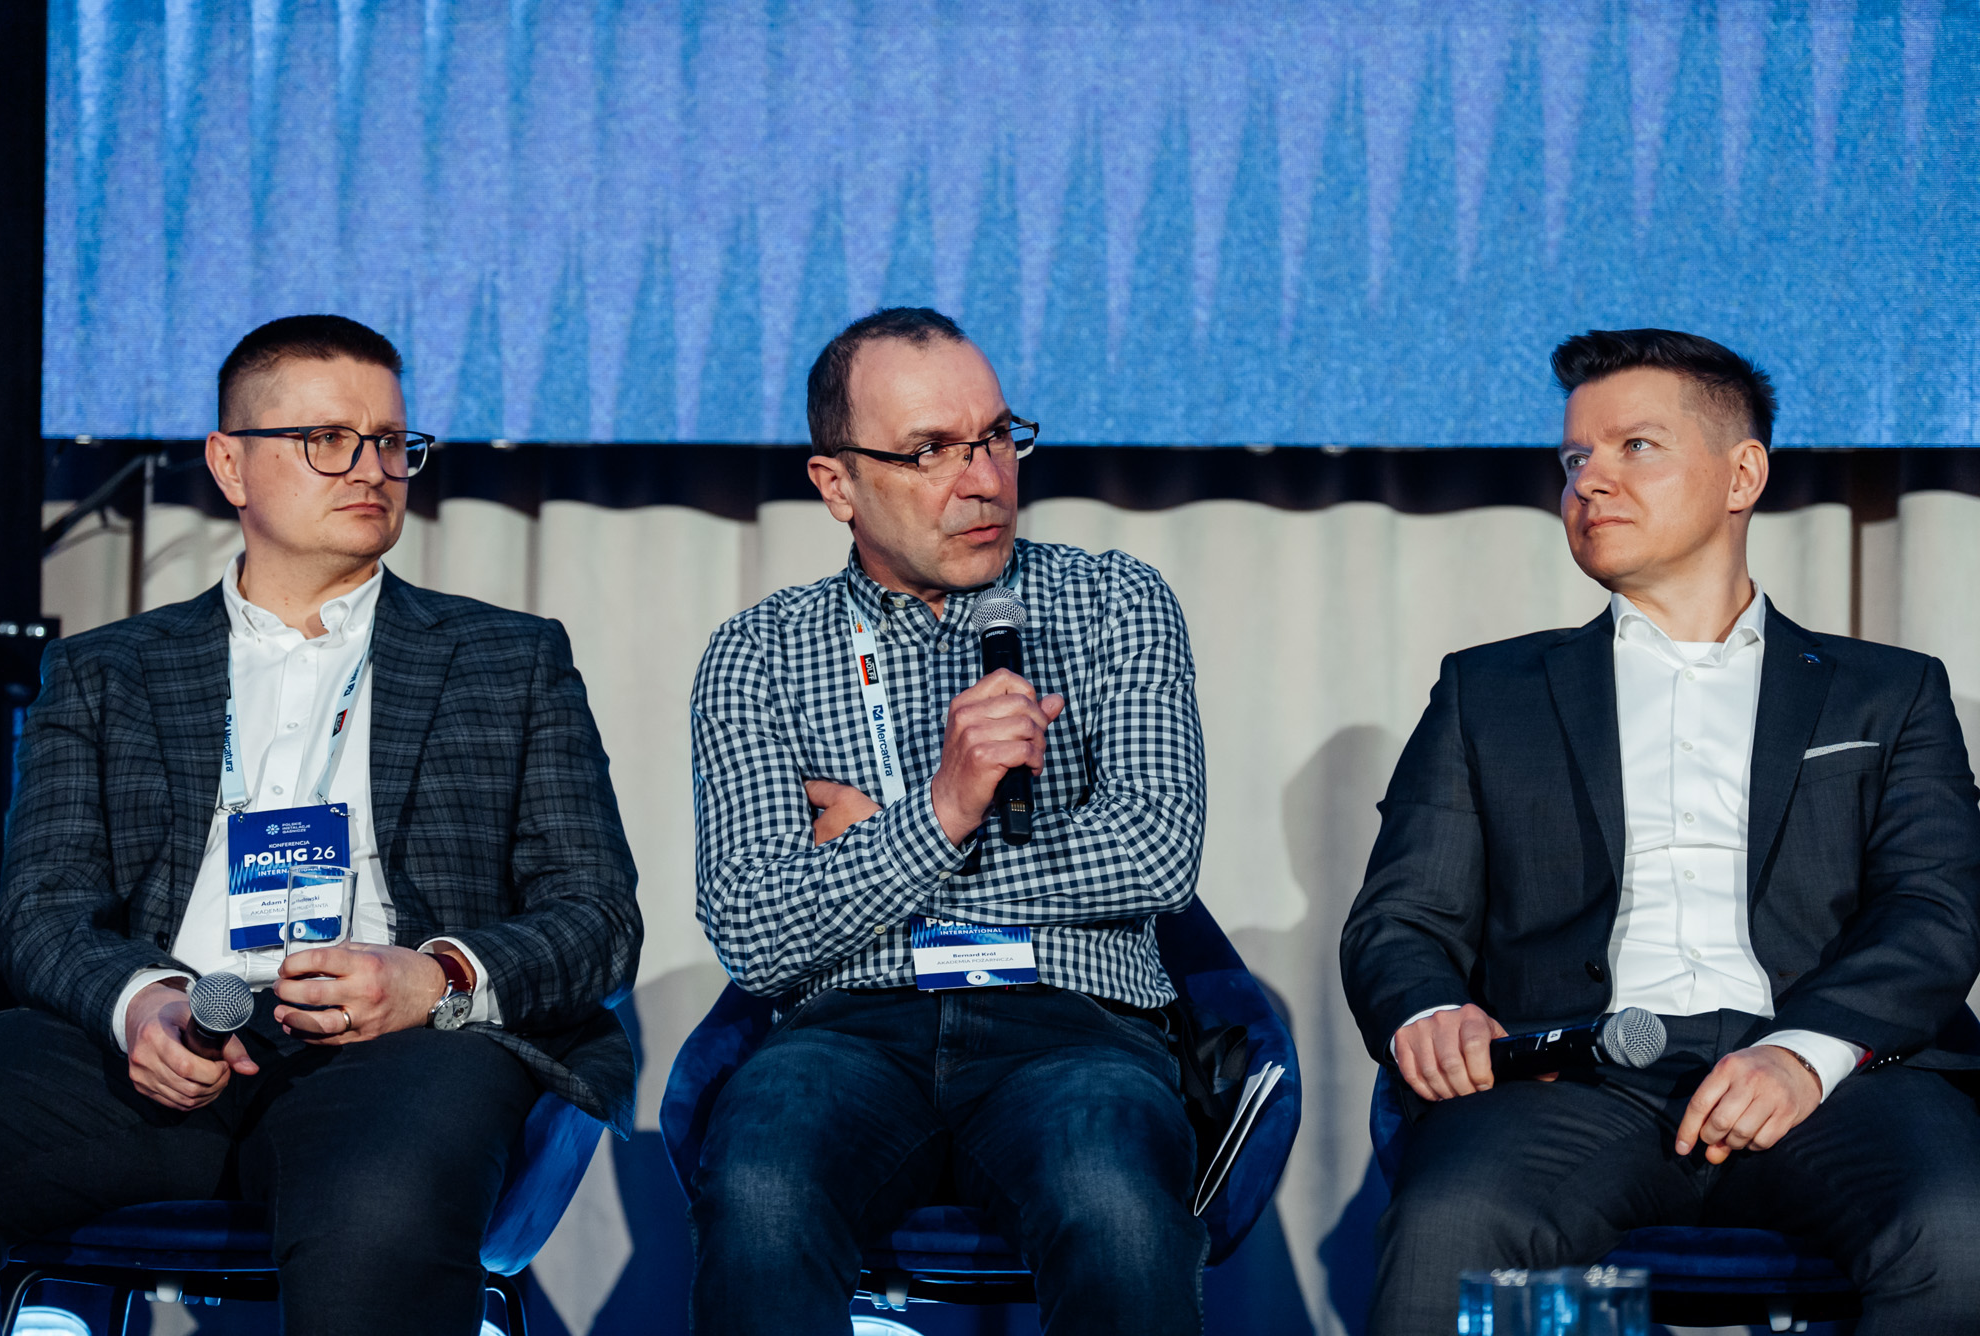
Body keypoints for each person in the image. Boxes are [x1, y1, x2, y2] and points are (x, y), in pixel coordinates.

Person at [0, 315, 642, 1334]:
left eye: (391, 441)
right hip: (165, 1044)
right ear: (229, 464)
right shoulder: (106, 672)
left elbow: (597, 917)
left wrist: (436, 978)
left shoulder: (508, 660)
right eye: (328, 439)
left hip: (401, 1054)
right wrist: (142, 1004)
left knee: (380, 1204)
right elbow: (40, 913)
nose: (371, 468)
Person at [1340, 328, 1980, 1334]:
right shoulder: (1488, 691)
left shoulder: (1888, 692)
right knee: (1446, 1223)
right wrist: (1429, 1009)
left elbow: (1934, 909)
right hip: (1571, 1081)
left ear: (1742, 475)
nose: (1589, 480)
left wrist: (1801, 1053)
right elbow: (1400, 918)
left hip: (1835, 1075)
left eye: (1634, 446)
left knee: (1958, 1230)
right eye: (1573, 458)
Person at [687, 307, 1209, 1334]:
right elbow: (753, 930)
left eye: (996, 437)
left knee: (1113, 1204)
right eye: (930, 450)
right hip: (848, 1030)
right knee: (759, 1189)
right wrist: (942, 809)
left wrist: (884, 841)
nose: (984, 480)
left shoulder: (1114, 602)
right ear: (836, 483)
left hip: (1073, 1022)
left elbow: (1155, 851)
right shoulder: (759, 652)